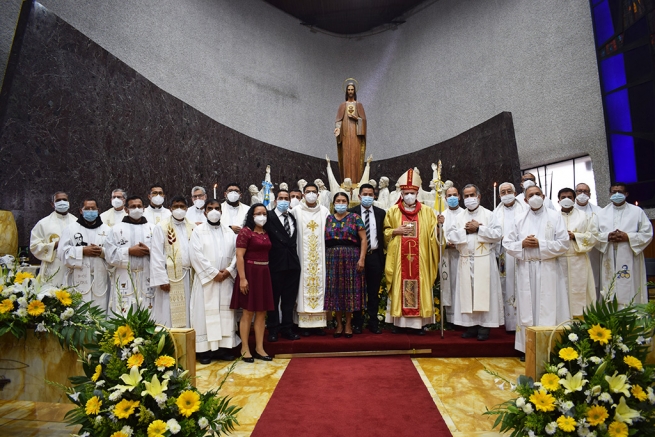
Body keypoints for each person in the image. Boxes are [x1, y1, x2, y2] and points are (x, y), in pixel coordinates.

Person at [503, 185, 570, 354]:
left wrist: (542, 244)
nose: (534, 197)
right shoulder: (519, 219)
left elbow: (564, 244)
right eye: (530, 195)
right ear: (525, 200)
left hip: (548, 268)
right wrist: (522, 244)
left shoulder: (555, 217)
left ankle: (548, 348)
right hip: (526, 268)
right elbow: (508, 244)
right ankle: (528, 349)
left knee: (548, 306)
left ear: (544, 195)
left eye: (537, 194)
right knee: (527, 309)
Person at [383, 169, 439, 335]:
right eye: (406, 193)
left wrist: (439, 227)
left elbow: (433, 237)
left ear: (417, 193)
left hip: (419, 260)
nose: (409, 196)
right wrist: (394, 231)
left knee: (419, 284)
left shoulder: (428, 212)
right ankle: (398, 322)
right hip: (399, 260)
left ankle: (418, 324)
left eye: (412, 193)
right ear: (401, 193)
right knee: (400, 285)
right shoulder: (392, 212)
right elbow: (385, 233)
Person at [447, 184, 504, 341]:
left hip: (484, 259)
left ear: (478, 196)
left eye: (472, 195)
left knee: (484, 293)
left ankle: (485, 326)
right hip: (465, 260)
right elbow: (450, 236)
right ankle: (471, 326)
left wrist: (479, 229)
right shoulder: (459, 218)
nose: (469, 198)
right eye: (466, 196)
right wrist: (465, 231)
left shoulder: (489, 214)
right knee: (468, 293)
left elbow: (498, 234)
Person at [189, 200, 240, 364]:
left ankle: (224, 349)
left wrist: (229, 271)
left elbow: (236, 255)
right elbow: (195, 254)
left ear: (221, 211)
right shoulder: (198, 231)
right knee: (204, 315)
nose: (214, 211)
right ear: (204, 212)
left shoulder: (229, 232)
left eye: (217, 208)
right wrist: (212, 273)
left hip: (225, 280)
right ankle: (204, 351)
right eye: (210, 208)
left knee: (224, 314)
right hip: (207, 282)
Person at [231, 204, 275, 362]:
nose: (262, 216)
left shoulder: (266, 232)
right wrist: (243, 278)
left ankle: (259, 347)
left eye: (264, 213)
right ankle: (245, 348)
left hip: (264, 273)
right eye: (258, 213)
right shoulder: (245, 232)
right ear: (251, 215)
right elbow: (239, 256)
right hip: (249, 272)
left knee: (262, 312)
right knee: (248, 312)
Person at [597, 182, 653, 305]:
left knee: (630, 284)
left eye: (620, 192)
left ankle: (632, 314)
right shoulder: (601, 213)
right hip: (609, 254)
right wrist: (608, 236)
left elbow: (647, 233)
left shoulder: (637, 211)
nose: (617, 194)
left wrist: (627, 236)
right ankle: (611, 315)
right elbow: (593, 234)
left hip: (630, 253)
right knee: (610, 286)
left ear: (626, 194)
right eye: (613, 192)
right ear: (610, 194)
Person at [104, 196, 159, 318]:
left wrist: (149, 251)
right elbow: (109, 255)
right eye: (133, 206)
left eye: (139, 206)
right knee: (124, 311)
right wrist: (129, 251)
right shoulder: (115, 230)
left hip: (147, 276)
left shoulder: (153, 229)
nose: (137, 209)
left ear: (144, 208)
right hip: (124, 276)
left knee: (149, 313)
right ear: (126, 209)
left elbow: (162, 253)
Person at [290, 183, 330, 336]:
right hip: (301, 257)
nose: (311, 194)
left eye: (314, 192)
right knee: (302, 287)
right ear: (303, 194)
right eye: (308, 192)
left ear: (318, 195)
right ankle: (302, 324)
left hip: (319, 258)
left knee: (320, 286)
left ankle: (319, 325)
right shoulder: (296, 211)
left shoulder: (324, 211)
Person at [150, 196, 196, 328]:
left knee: (189, 309)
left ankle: (187, 341)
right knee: (167, 311)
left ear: (187, 209)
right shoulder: (161, 227)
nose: (179, 209)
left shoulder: (192, 226)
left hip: (189, 275)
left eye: (182, 206)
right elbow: (156, 254)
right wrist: (161, 279)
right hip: (170, 277)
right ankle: (168, 342)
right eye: (176, 207)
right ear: (170, 208)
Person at [59, 198, 111, 312]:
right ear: (81, 211)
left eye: (93, 208)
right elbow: (62, 253)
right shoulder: (70, 229)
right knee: (80, 310)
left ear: (98, 210)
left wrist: (102, 252)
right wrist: (82, 251)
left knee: (100, 311)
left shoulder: (107, 230)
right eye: (87, 208)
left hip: (100, 278)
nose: (90, 211)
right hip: (78, 277)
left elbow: (114, 254)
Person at [326, 192, 367, 338]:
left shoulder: (355, 218)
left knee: (349, 291)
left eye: (343, 201)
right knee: (335, 291)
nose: (341, 203)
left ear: (348, 203)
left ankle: (349, 324)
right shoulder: (328, 219)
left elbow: (363, 240)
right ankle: (339, 324)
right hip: (332, 259)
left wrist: (362, 258)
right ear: (334, 203)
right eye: (338, 201)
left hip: (351, 257)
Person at [264, 190, 301, 342]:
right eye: (281, 198)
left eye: (287, 199)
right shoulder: (268, 217)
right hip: (275, 264)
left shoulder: (292, 217)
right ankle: (273, 329)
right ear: (275, 201)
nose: (284, 201)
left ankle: (287, 327)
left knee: (289, 299)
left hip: (292, 264)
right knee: (273, 298)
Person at [350, 183, 386, 334]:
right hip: (356, 257)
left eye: (370, 195)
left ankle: (373, 322)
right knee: (357, 290)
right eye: (365, 194)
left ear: (374, 196)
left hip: (375, 257)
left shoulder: (381, 213)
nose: (368, 197)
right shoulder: (351, 213)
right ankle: (357, 322)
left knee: (373, 291)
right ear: (359, 196)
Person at [556, 188, 598, 317]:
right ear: (558, 200)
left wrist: (575, 235)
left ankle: (581, 319)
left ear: (574, 200)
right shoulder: (553, 217)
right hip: (559, 259)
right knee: (561, 290)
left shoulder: (584, 216)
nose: (566, 199)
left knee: (581, 290)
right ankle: (562, 319)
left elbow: (593, 236)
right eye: (563, 197)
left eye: (569, 197)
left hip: (578, 258)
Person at [492, 182, 526, 333]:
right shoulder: (495, 213)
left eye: (509, 191)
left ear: (515, 192)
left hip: (522, 253)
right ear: (499, 196)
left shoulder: (525, 209)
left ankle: (523, 320)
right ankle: (510, 323)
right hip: (505, 254)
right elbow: (493, 234)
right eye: (503, 192)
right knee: (506, 285)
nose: (506, 194)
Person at [30, 191, 77, 286]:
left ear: (69, 203)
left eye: (65, 200)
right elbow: (34, 246)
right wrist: (55, 245)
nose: (62, 202)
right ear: (53, 204)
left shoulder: (77, 222)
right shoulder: (43, 223)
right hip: (53, 266)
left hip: (74, 266)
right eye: (59, 200)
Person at [437, 186, 465, 326]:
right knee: (448, 285)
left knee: (462, 284)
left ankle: (463, 318)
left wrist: (458, 243)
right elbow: (437, 236)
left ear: (459, 197)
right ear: (445, 198)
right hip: (447, 255)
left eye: (455, 194)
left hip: (462, 255)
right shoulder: (442, 216)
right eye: (449, 195)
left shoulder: (466, 214)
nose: (452, 198)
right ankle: (450, 318)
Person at [574, 182, 602, 298]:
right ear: (575, 193)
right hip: (575, 251)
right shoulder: (567, 211)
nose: (582, 194)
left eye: (585, 191)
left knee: (594, 278)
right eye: (579, 191)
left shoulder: (599, 211)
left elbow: (602, 231)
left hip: (594, 251)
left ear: (590, 194)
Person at [334, 80, 367, 183]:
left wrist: (356, 118)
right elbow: (338, 120)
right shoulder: (342, 105)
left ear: (355, 91)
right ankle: (346, 182)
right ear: (346, 91)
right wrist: (338, 128)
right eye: (348, 90)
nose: (350, 91)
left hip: (356, 136)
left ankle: (356, 182)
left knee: (355, 158)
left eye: (352, 89)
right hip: (345, 135)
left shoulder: (359, 105)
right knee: (346, 158)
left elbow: (364, 121)